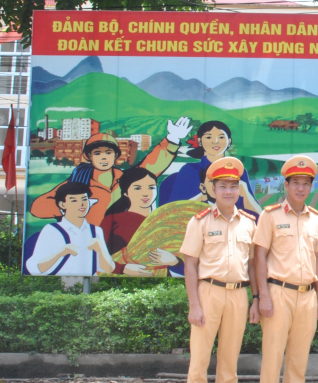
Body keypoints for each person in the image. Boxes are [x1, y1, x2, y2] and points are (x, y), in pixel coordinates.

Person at [179, 157, 259, 383]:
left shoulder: (249, 223)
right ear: (212, 189)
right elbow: (189, 264)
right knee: (199, 359)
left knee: (230, 360)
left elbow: (252, 265)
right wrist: (194, 304)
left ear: (239, 190)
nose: (228, 192)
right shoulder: (199, 221)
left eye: (233, 186)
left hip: (238, 294)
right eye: (222, 186)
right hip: (208, 292)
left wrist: (256, 298)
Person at [253, 155, 318, 383]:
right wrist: (262, 296)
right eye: (295, 183)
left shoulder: (315, 219)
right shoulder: (270, 216)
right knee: (272, 355)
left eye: (306, 184)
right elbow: (260, 257)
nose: (300, 189)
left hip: (307, 295)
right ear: (286, 184)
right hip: (278, 292)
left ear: (310, 187)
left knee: (299, 357)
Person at [31, 118, 193, 226]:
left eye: (108, 153)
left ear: (116, 155)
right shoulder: (79, 182)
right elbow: (38, 207)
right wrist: (73, 206)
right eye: (97, 153)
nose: (103, 157)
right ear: (89, 156)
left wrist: (172, 140)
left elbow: (149, 168)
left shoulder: (124, 179)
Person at [160, 120, 260, 213]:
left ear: (229, 141)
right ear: (199, 141)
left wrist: (245, 194)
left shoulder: (237, 170)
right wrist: (204, 196)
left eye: (221, 137)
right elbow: (173, 211)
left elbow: (257, 216)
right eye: (208, 137)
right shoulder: (189, 171)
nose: (215, 141)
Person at [100, 168, 180, 276]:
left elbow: (186, 253)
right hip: (120, 282)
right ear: (125, 192)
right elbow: (97, 255)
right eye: (138, 188)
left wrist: (175, 261)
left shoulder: (165, 220)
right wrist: (123, 269)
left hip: (162, 280)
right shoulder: (112, 220)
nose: (146, 193)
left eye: (151, 187)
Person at [25, 182, 115, 276]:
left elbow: (109, 269)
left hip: (91, 282)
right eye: (74, 200)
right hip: (58, 284)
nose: (81, 204)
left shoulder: (96, 231)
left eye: (84, 199)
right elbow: (35, 268)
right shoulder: (52, 230)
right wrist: (61, 253)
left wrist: (101, 250)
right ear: (62, 205)